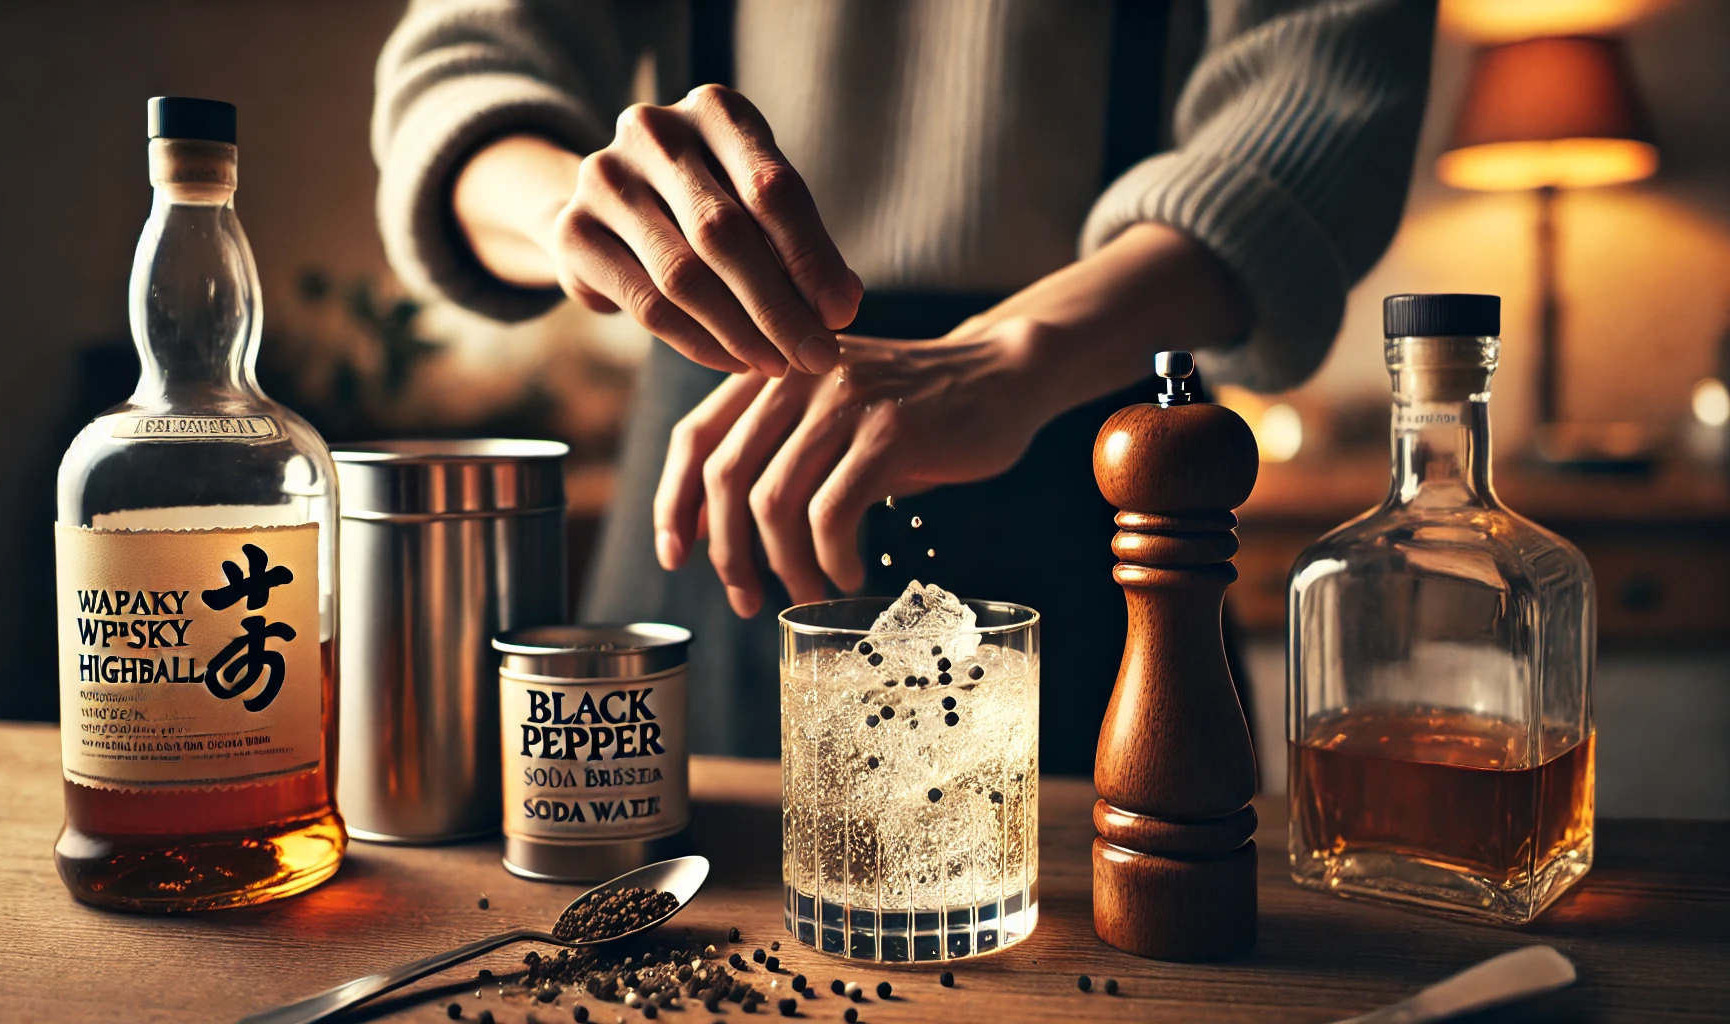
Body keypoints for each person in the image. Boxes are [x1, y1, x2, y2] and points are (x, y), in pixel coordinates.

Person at [372, 0, 1436, 772]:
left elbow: (1317, 110)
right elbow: (457, 77)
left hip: (1085, 452)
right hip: (712, 474)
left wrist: (1013, 352)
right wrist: (585, 212)